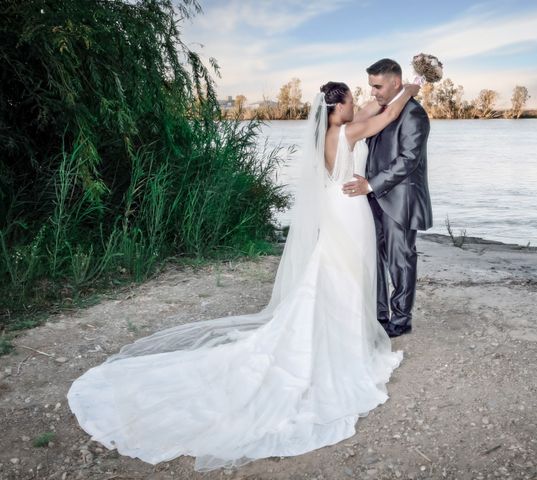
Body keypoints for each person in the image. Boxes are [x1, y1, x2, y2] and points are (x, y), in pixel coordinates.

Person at [66, 80, 420, 472]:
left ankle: (343, 337)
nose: (358, 103)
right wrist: (413, 87)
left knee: (335, 274)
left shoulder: (330, 131)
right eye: (352, 100)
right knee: (347, 275)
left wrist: (390, 90)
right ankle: (346, 347)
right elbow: (385, 115)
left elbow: (376, 108)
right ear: (337, 110)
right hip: (350, 210)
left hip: (338, 208)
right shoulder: (346, 131)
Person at [343, 58, 432, 337]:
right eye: (371, 86)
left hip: (399, 200)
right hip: (372, 198)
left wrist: (370, 185)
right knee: (375, 258)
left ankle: (401, 319)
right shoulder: (382, 110)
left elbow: (408, 160)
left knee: (401, 259)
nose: (373, 92)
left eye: (378, 86)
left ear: (396, 82)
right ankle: (380, 315)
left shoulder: (414, 114)